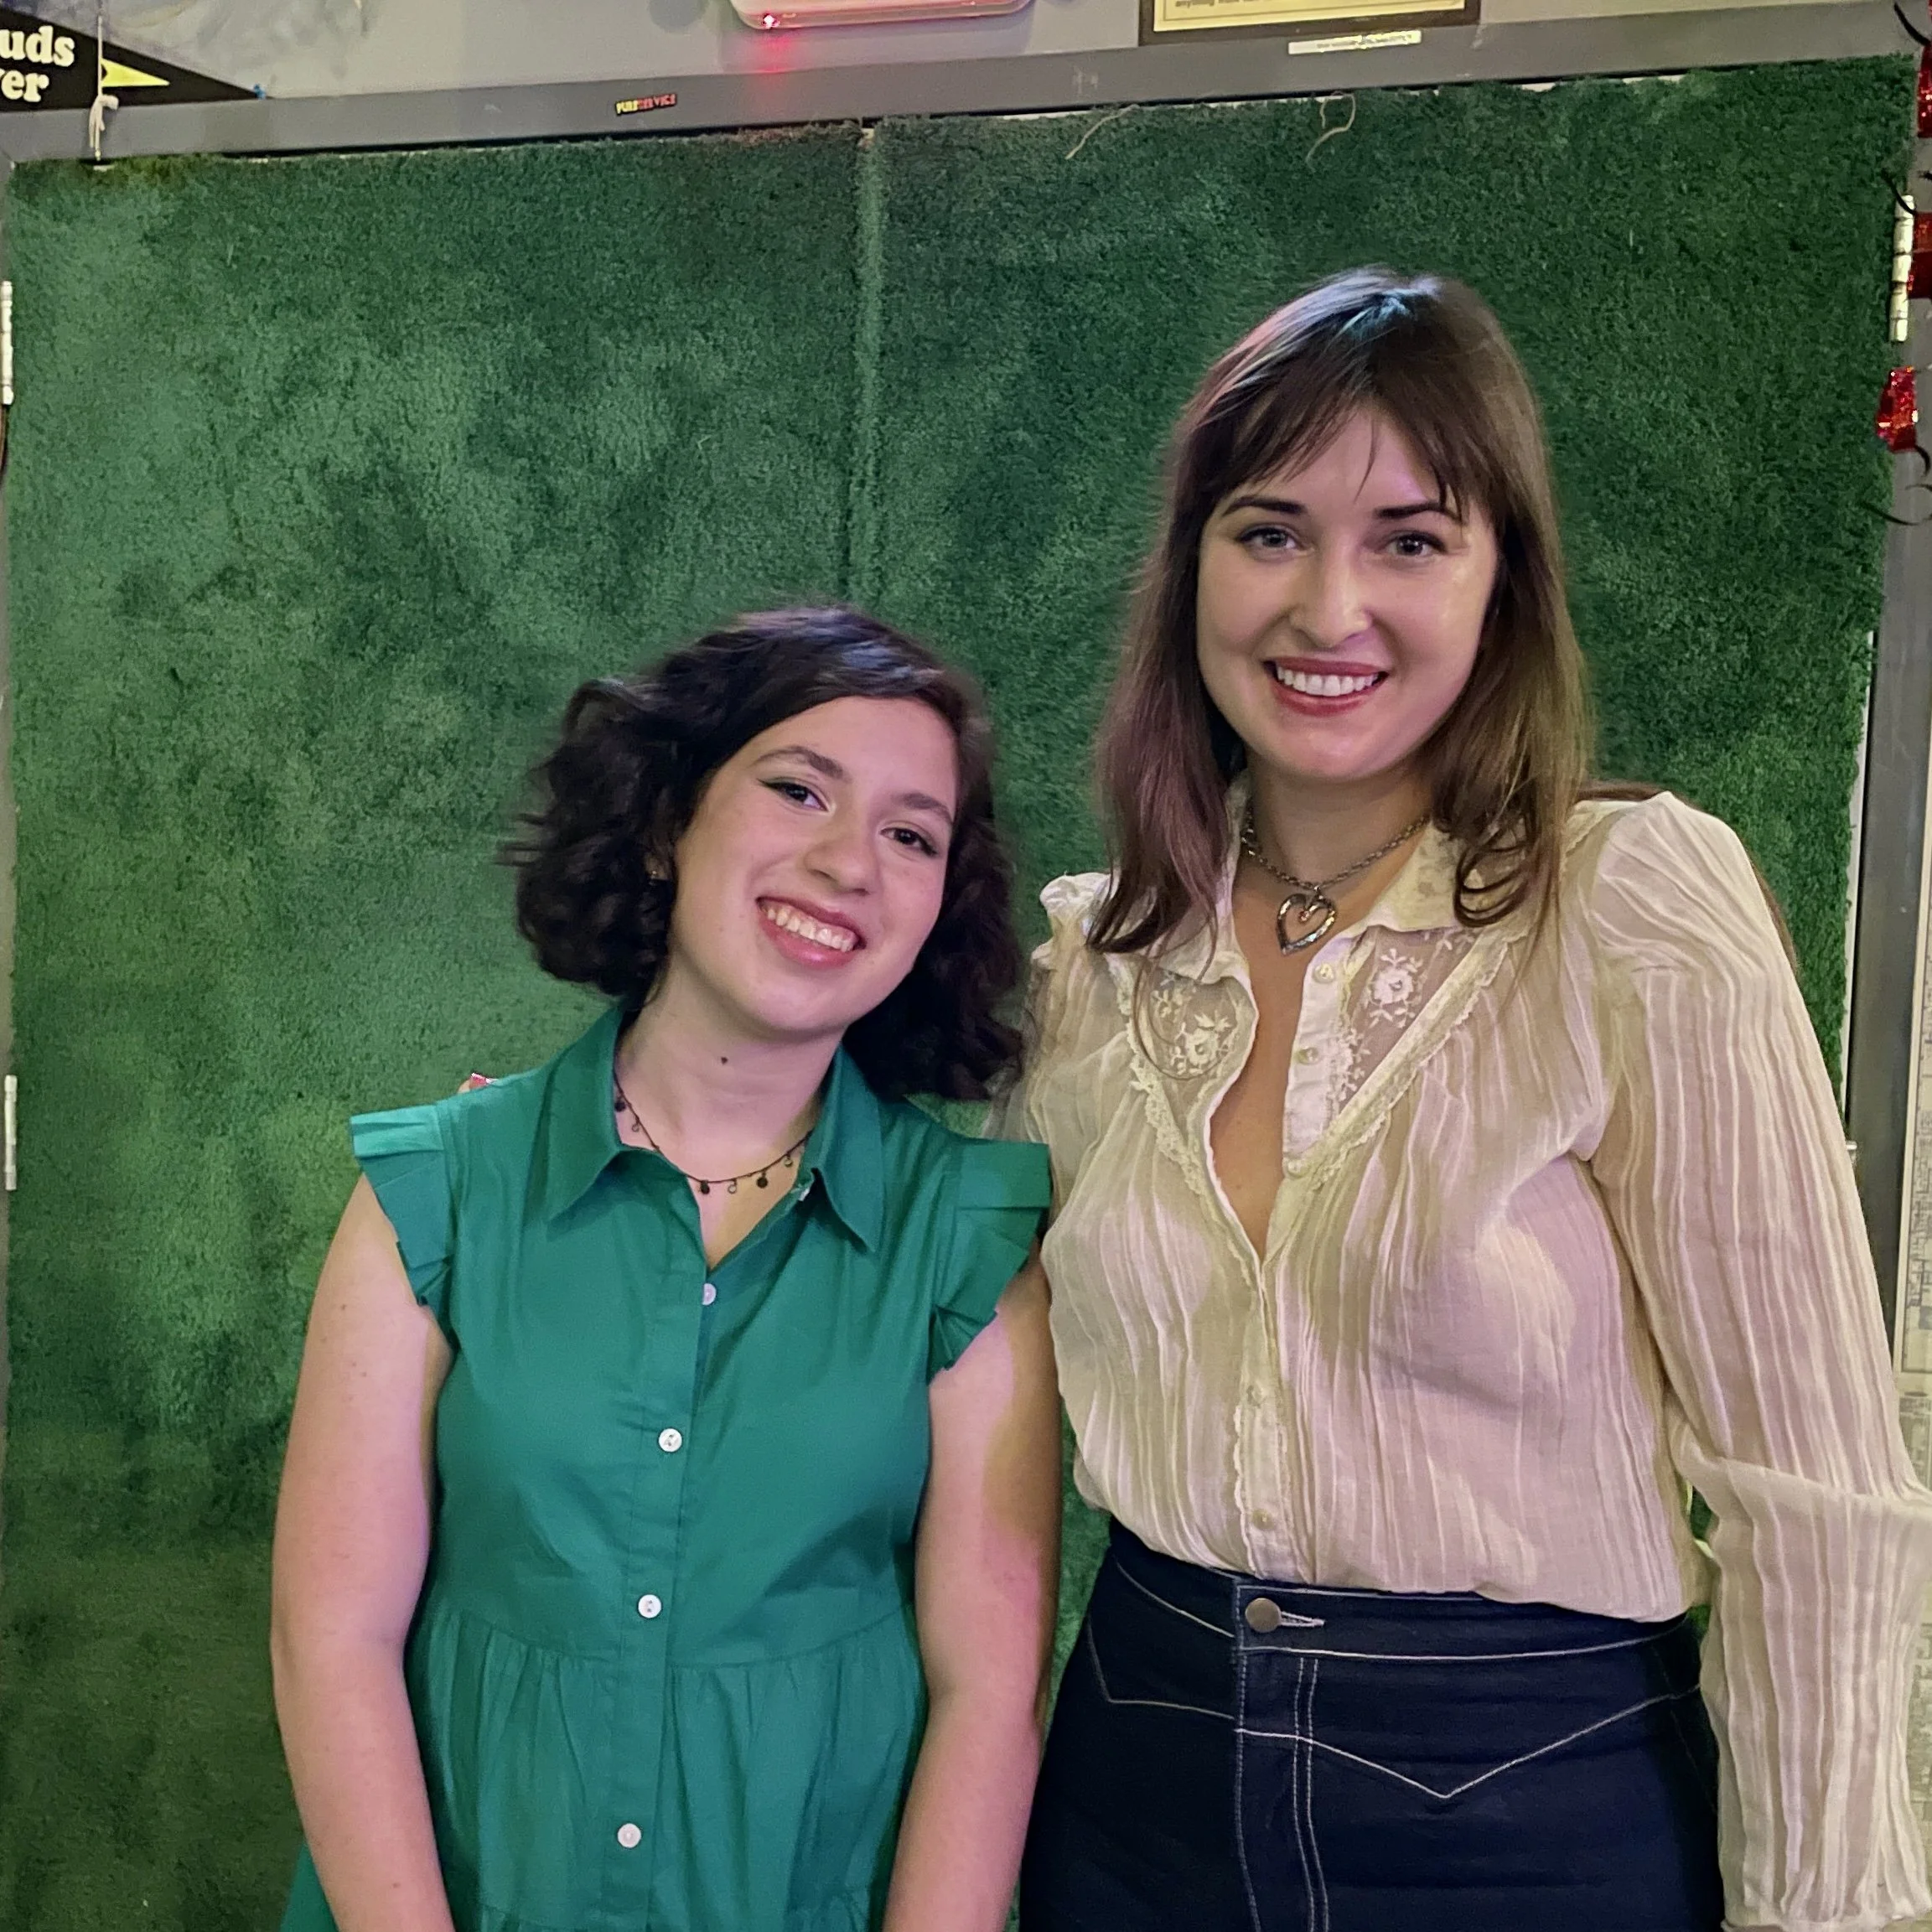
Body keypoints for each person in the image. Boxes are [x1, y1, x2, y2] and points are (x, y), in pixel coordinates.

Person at [1004, 270, 1932, 1932]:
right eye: (1270, 530)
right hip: (1132, 1775)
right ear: (1191, 568)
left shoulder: (1634, 901)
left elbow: (1817, 1505)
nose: (1327, 606)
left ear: (1503, 580)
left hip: (1532, 1803)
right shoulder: (1095, 959)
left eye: (1411, 540)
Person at [271, 608, 1059, 1932]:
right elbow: (330, 1639)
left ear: (935, 912)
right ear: (663, 823)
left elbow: (988, 1694)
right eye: (799, 787)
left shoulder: (967, 1241)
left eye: (910, 835)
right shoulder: (434, 1192)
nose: (846, 862)